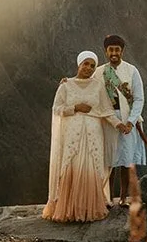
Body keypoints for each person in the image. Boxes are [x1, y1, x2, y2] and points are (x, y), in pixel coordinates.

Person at [42, 50, 120, 223]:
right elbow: (56, 109)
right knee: (72, 166)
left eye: (93, 65)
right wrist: (75, 108)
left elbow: (107, 110)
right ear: (79, 64)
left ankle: (88, 208)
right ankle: (70, 209)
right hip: (72, 135)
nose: (89, 68)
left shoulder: (98, 86)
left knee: (91, 167)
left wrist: (118, 124)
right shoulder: (66, 85)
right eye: (86, 64)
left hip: (93, 134)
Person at [101, 34, 146, 205]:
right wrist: (67, 82)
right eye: (111, 49)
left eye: (117, 50)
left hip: (129, 120)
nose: (114, 53)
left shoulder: (132, 70)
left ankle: (123, 199)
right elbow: (90, 91)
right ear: (106, 51)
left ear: (122, 51)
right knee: (110, 160)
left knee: (126, 161)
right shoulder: (100, 72)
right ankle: (108, 198)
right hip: (109, 120)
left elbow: (139, 98)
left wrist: (130, 122)